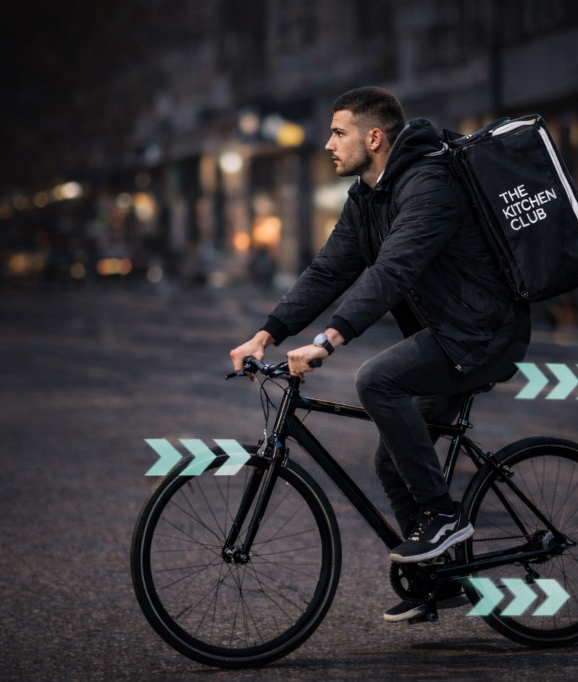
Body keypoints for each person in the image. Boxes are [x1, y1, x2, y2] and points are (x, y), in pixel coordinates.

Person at [229, 87, 531, 623]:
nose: (328, 144)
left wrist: (327, 341)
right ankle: (442, 583)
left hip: (483, 332)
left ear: (374, 138)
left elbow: (392, 272)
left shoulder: (429, 185)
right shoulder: (368, 196)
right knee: (391, 459)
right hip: (449, 332)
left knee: (377, 380)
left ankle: (441, 515)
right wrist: (266, 333)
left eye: (338, 132)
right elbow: (329, 270)